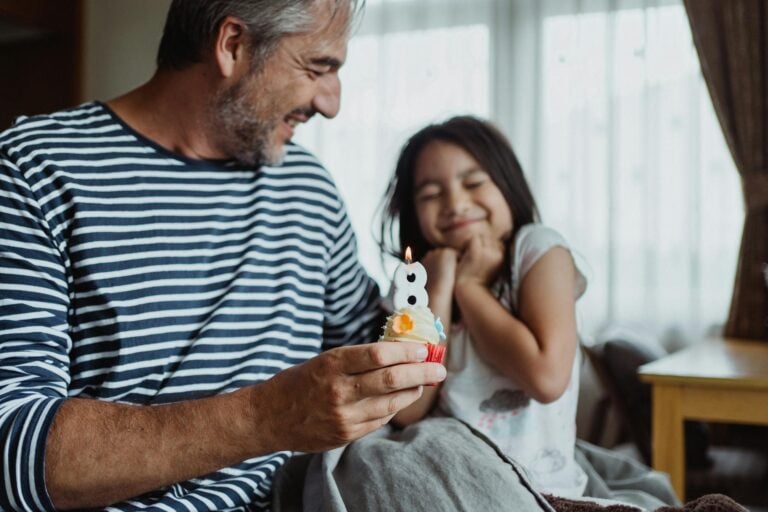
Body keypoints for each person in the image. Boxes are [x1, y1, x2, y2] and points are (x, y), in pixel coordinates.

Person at [0, 1, 446, 510]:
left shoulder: (307, 187)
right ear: (232, 45)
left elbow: (372, 353)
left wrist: (465, 276)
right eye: (317, 68)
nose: (330, 103)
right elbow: (12, 445)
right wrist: (267, 417)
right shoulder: (31, 172)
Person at [378, 115, 589, 498]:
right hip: (443, 475)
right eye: (430, 194)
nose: (455, 204)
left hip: (535, 488)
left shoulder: (537, 250)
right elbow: (407, 410)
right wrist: (439, 291)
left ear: (508, 187)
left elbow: (545, 378)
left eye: (473, 183)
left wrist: (470, 287)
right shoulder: (416, 278)